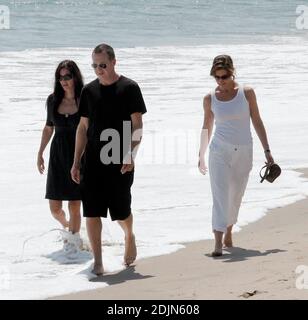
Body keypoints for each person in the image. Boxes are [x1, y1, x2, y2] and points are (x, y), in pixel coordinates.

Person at [71, 43, 147, 275]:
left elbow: (137, 125)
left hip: (119, 157)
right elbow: (82, 127)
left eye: (102, 65)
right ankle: (98, 261)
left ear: (114, 62)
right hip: (92, 161)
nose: (98, 69)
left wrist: (130, 154)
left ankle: (129, 234)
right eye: (94, 65)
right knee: (92, 211)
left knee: (121, 211)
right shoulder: (88, 91)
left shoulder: (129, 88)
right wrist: (76, 161)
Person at [198, 55, 274, 257]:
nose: (221, 81)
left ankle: (229, 230)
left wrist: (267, 151)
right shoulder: (209, 98)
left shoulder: (246, 93)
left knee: (236, 195)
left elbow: (257, 121)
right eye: (217, 77)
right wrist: (201, 154)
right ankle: (217, 241)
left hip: (244, 150)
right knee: (220, 194)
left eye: (225, 76)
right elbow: (207, 126)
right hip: (219, 150)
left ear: (233, 72)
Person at [37, 60, 84, 254]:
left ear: (75, 77)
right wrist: (40, 153)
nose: (63, 81)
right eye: (60, 77)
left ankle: (73, 243)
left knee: (75, 203)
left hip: (78, 155)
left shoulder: (84, 100)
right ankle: (66, 226)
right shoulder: (53, 100)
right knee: (55, 208)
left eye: (67, 76)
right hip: (57, 155)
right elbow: (49, 127)